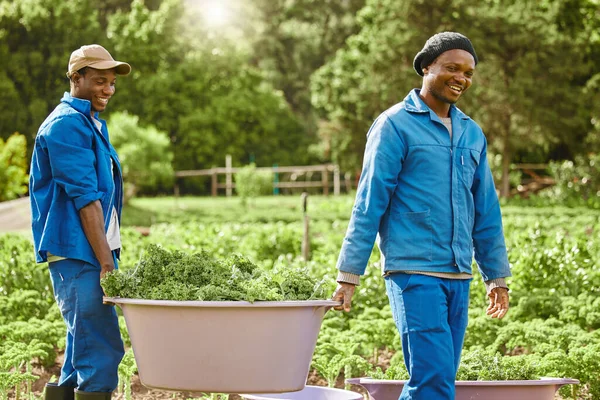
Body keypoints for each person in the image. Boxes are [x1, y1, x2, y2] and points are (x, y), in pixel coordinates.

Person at [331, 32, 511, 400]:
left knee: (437, 378)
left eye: (469, 72)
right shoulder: (394, 125)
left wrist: (496, 276)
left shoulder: (472, 133)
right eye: (452, 68)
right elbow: (370, 201)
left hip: (458, 275)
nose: (461, 77)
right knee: (433, 380)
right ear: (426, 66)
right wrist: (349, 273)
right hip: (413, 272)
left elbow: (486, 211)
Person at [29, 44, 131, 400]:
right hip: (79, 252)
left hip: (92, 250)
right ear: (76, 78)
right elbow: (86, 200)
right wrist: (106, 263)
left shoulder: (88, 122)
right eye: (100, 81)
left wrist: (110, 253)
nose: (108, 89)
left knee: (80, 347)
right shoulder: (66, 126)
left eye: (112, 83)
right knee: (100, 348)